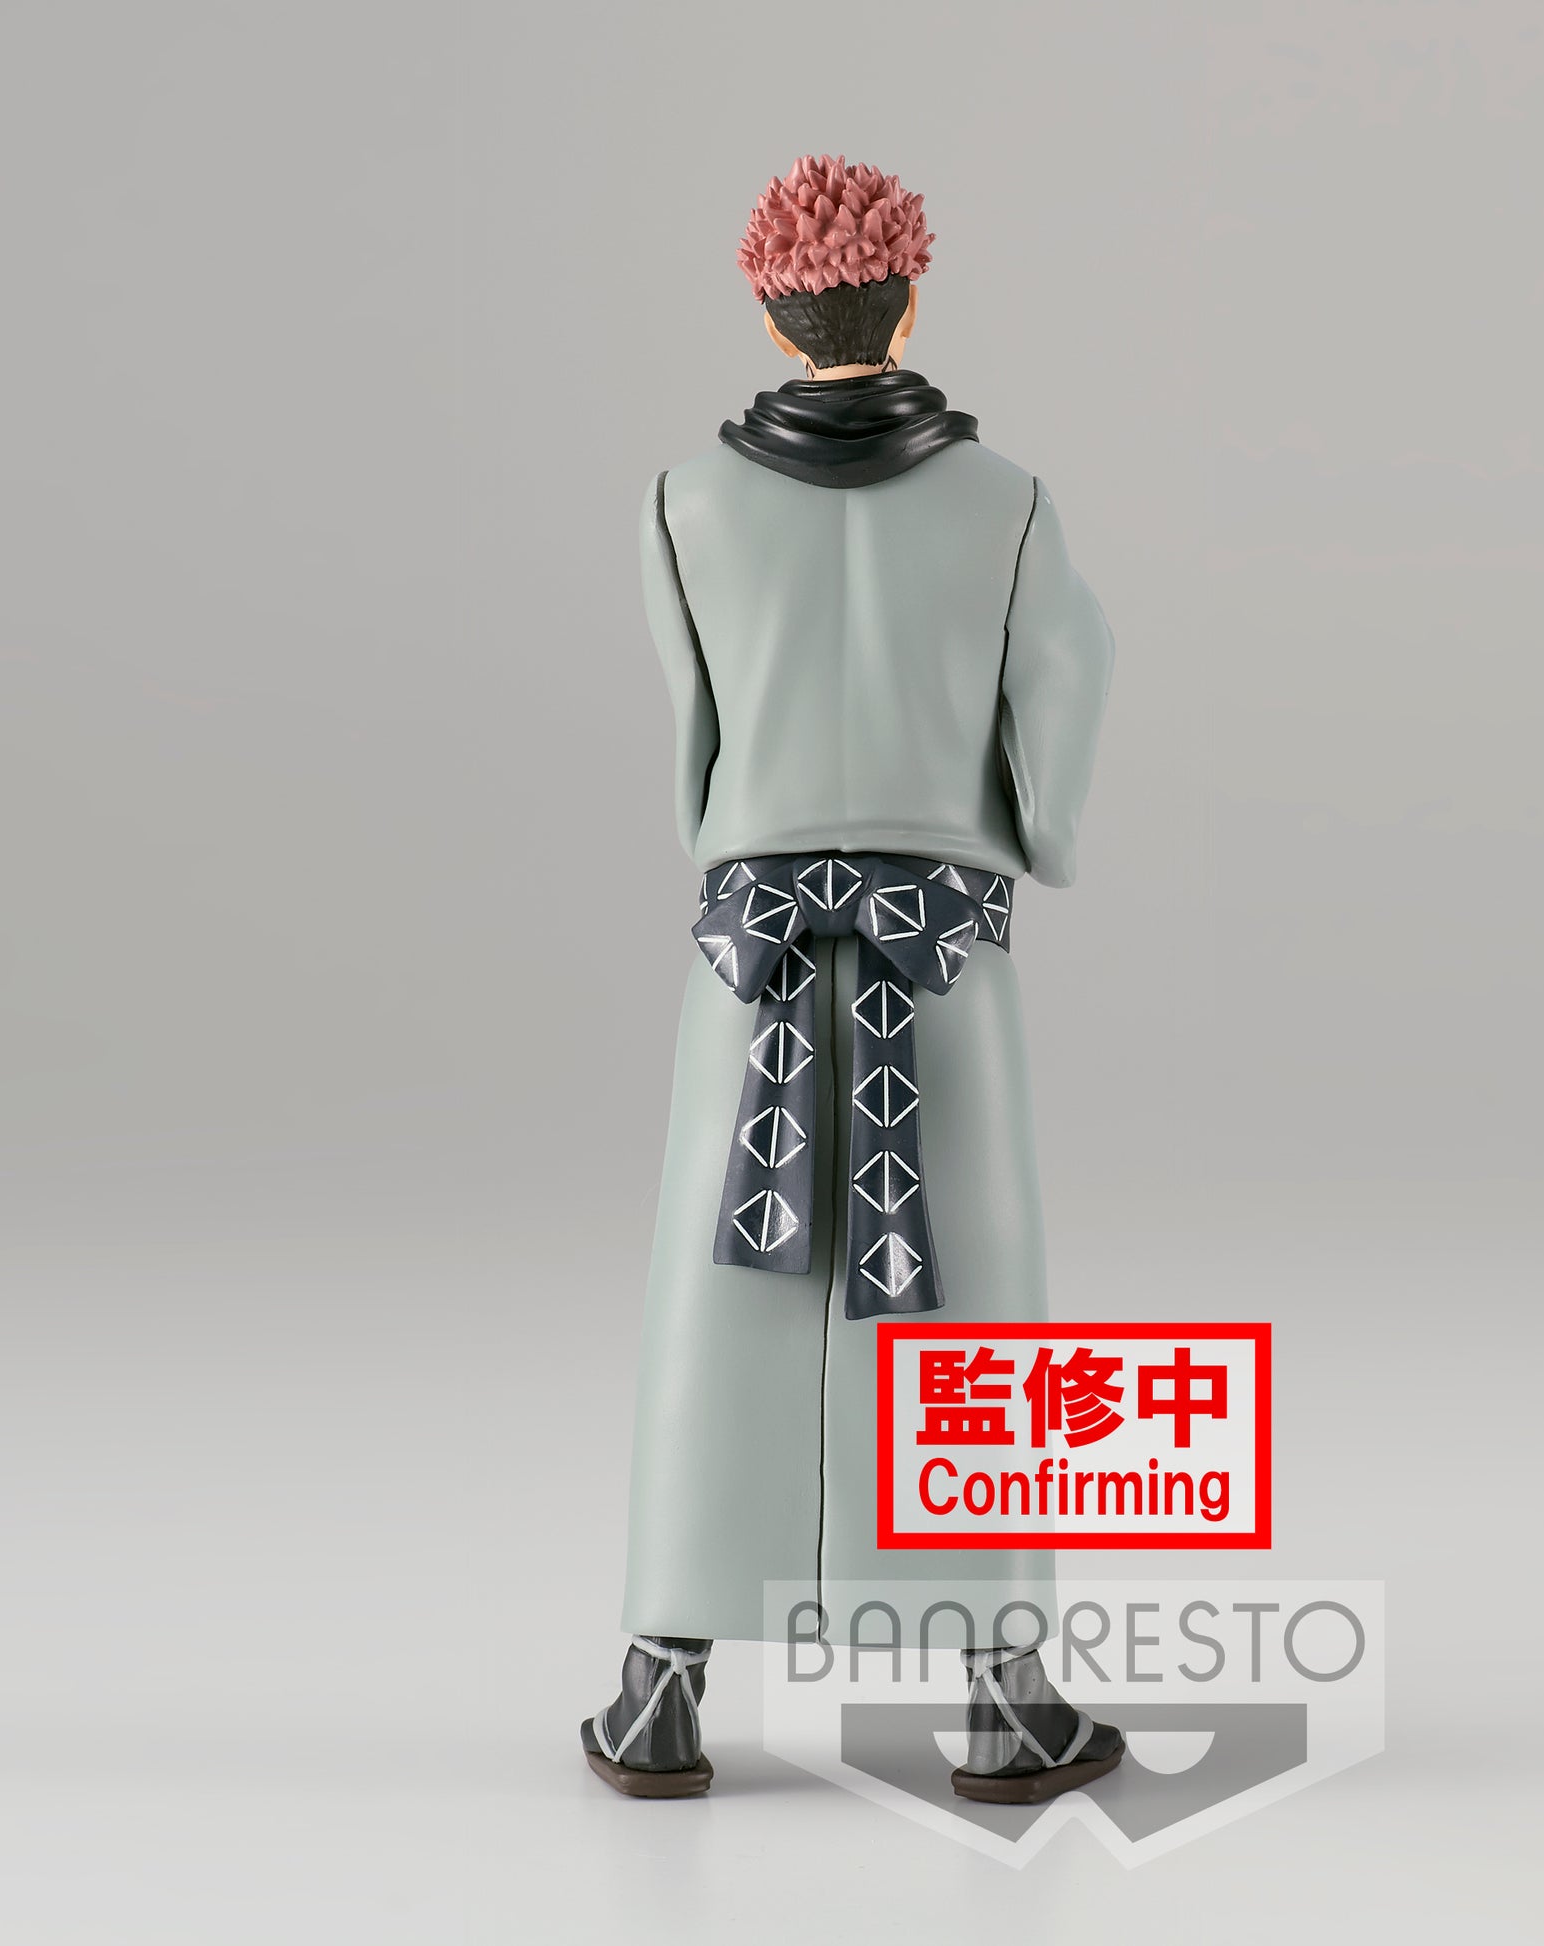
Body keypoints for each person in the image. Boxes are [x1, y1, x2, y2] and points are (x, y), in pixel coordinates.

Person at [582, 155, 1119, 1805]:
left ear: (769, 311)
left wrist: (738, 836)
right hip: (935, 949)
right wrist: (1031, 831)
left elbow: (695, 738)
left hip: (749, 955)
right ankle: (1002, 1694)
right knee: (965, 1299)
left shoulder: (682, 501)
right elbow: (1066, 683)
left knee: (719, 1299)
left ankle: (661, 1688)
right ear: (910, 296)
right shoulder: (1006, 502)